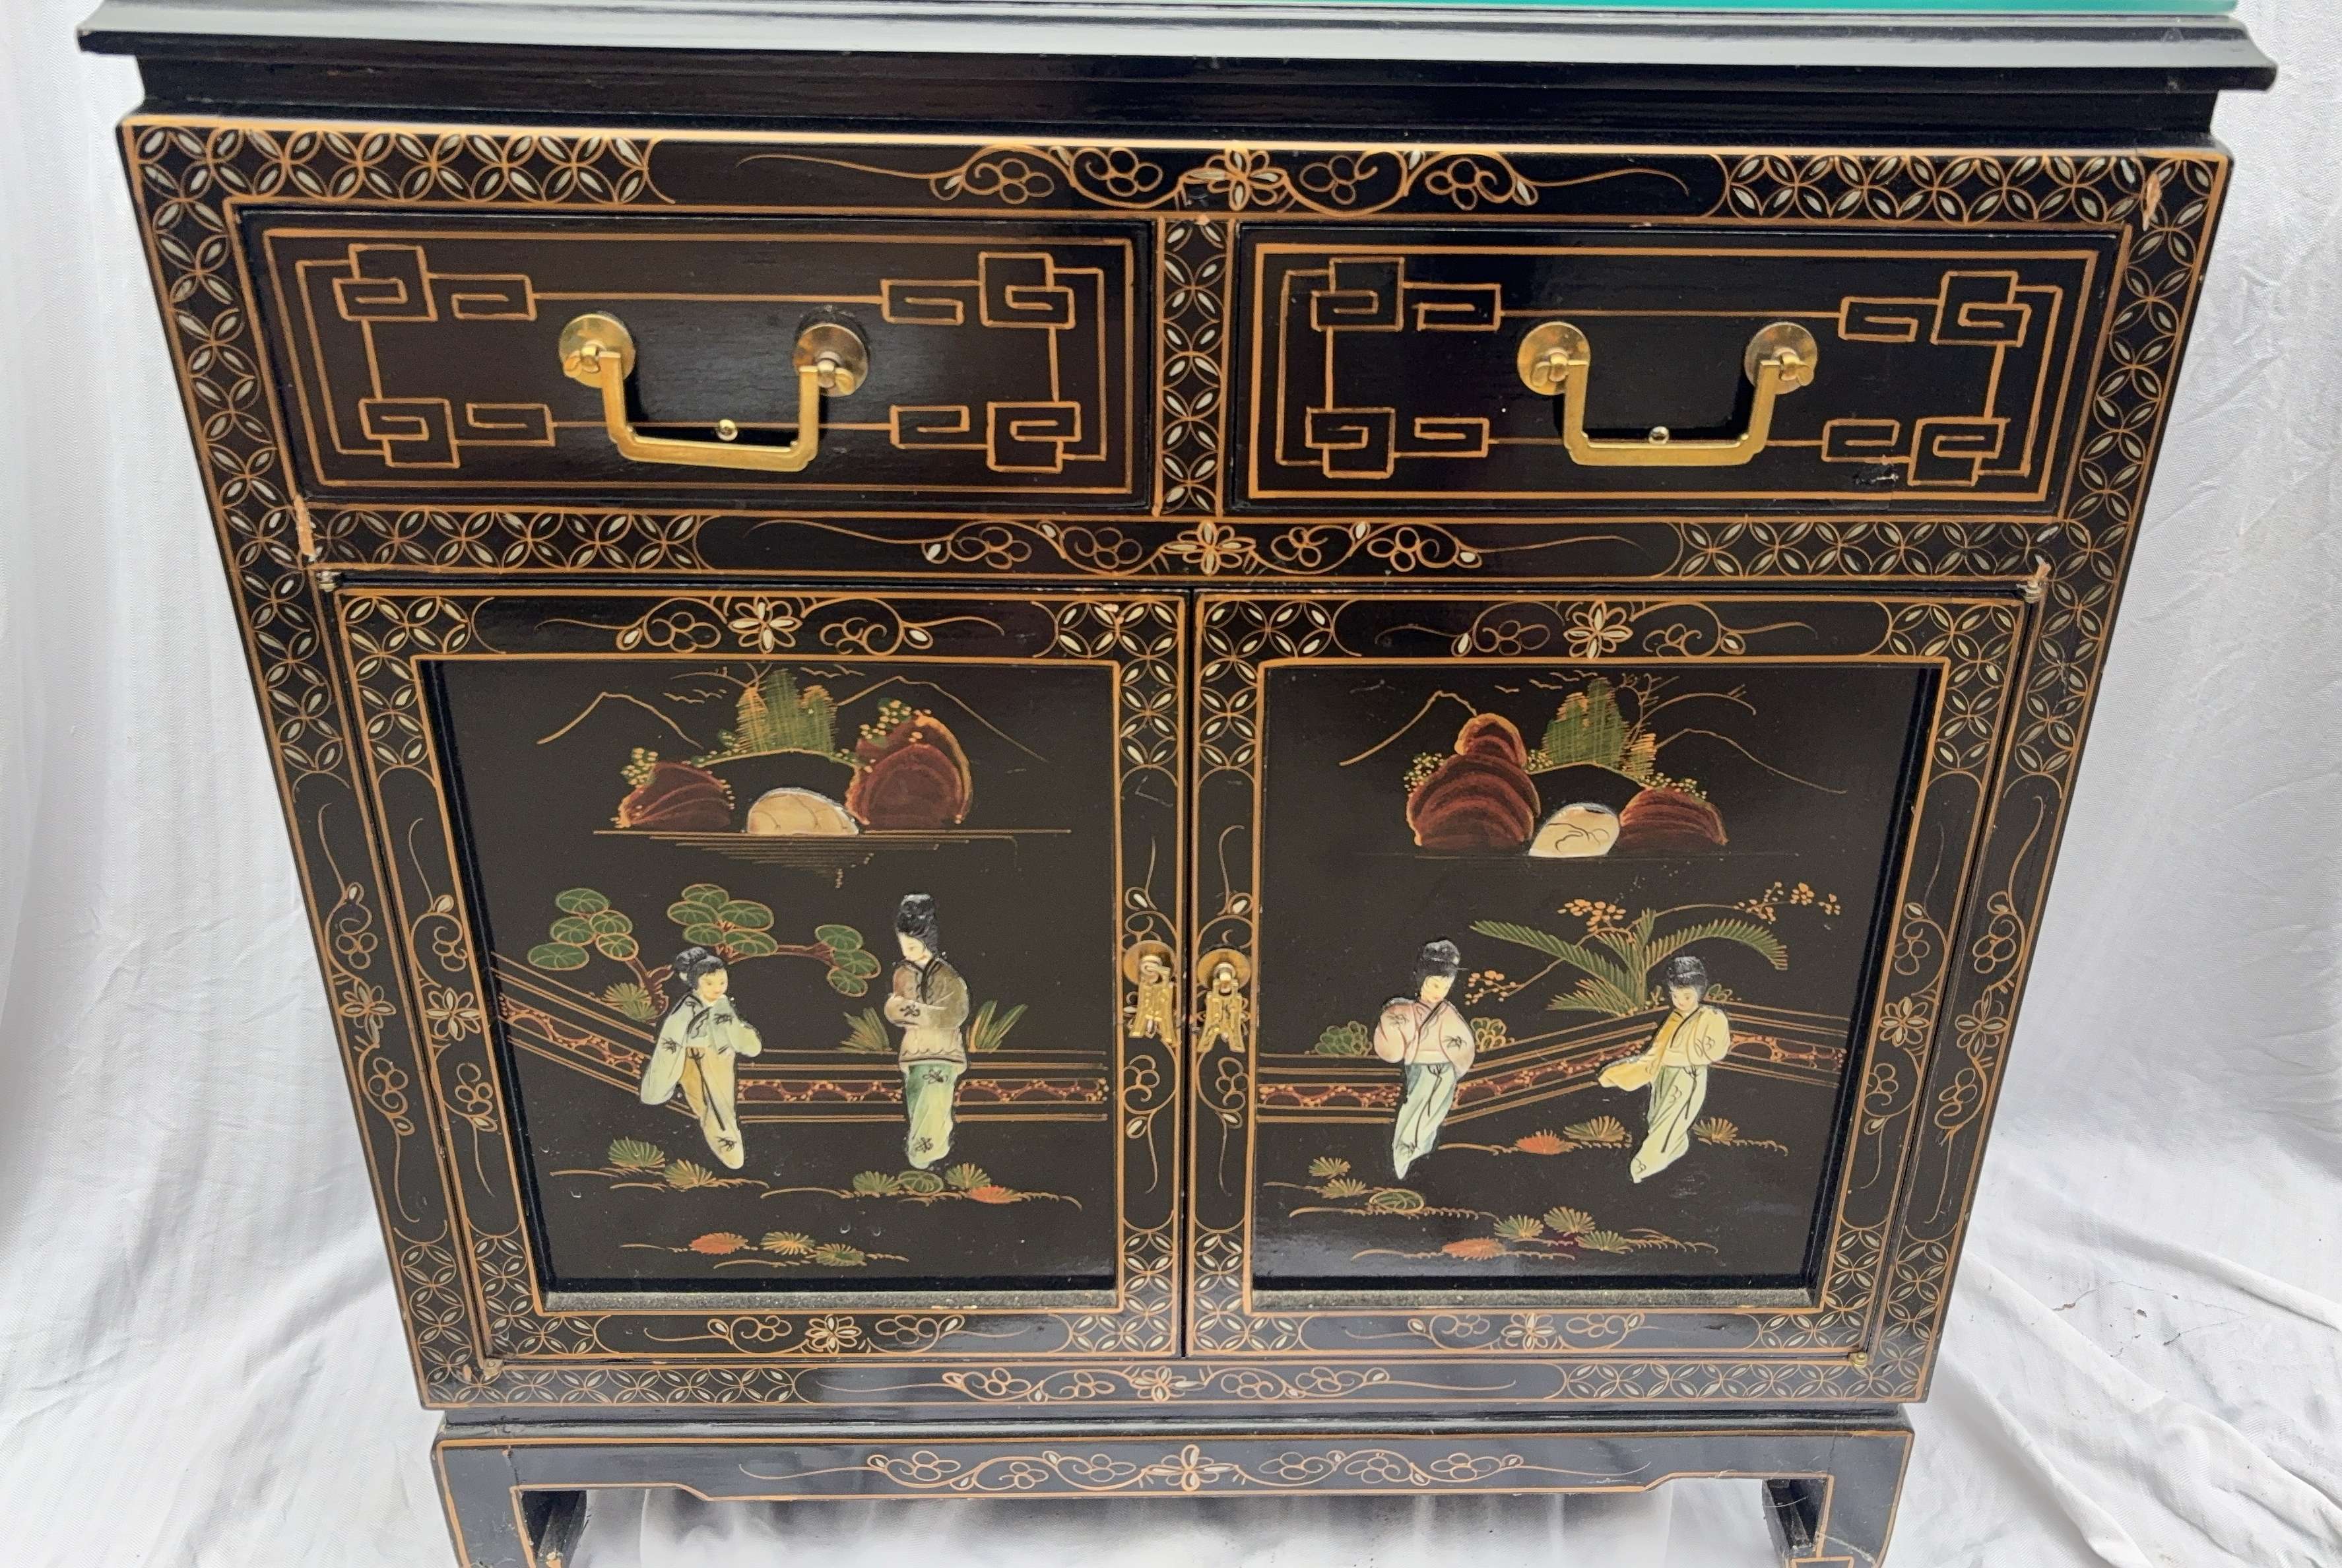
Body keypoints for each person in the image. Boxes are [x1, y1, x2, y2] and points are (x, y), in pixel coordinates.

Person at [1598, 953, 1735, 1183]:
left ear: (1698, 993)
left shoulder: (1712, 1016)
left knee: (1670, 1123)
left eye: (1687, 996)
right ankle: (1676, 1149)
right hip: (1663, 1074)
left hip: (1688, 1077)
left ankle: (1642, 1167)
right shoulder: (1674, 1018)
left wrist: (1683, 1055)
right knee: (1656, 1117)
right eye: (1675, 996)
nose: (1681, 1002)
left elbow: (1716, 1051)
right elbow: (1656, 1051)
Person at [637, 947, 764, 1170]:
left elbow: (737, 1032)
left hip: (722, 1060)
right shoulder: (686, 1009)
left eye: (722, 982)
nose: (717, 988)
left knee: (723, 1105)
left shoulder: (723, 1004)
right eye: (710, 983)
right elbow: (671, 1040)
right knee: (707, 1105)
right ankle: (727, 1148)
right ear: (696, 984)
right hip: (694, 1061)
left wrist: (745, 1042)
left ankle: (730, 1147)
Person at [1373, 939, 1476, 1179]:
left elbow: (1464, 1044)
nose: (1439, 991)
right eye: (1434, 984)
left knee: (1435, 1113)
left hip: (1446, 1070)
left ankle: (1421, 1156)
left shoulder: (1447, 1012)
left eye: (1446, 986)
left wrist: (1455, 1064)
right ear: (1422, 981)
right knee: (1414, 1109)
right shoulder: (1404, 1010)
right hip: (1420, 1068)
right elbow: (1393, 1049)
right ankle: (1404, 1155)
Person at [884, 892, 969, 1169]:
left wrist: (912, 1011)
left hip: (942, 1054)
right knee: (916, 1105)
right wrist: (918, 1012)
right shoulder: (903, 973)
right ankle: (923, 1158)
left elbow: (954, 1014)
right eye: (903, 944)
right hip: (914, 1053)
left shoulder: (947, 976)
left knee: (933, 1108)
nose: (906, 951)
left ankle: (929, 1157)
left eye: (912, 945)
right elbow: (892, 1011)